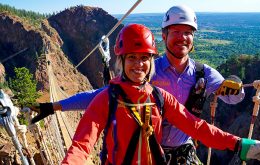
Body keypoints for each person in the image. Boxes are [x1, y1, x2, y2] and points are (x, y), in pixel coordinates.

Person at [31, 5, 247, 164]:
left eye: (188, 32)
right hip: (150, 150)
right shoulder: (148, 72)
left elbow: (230, 99)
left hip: (180, 151)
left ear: (193, 38)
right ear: (164, 35)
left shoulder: (204, 73)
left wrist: (236, 86)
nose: (182, 37)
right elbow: (98, 99)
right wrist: (55, 106)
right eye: (176, 32)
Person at [61, 23, 260, 165]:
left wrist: (243, 145)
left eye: (144, 58)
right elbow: (81, 145)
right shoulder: (106, 99)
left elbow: (197, 127)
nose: (139, 65)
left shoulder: (159, 97)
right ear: (122, 61)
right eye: (132, 58)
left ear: (151, 61)